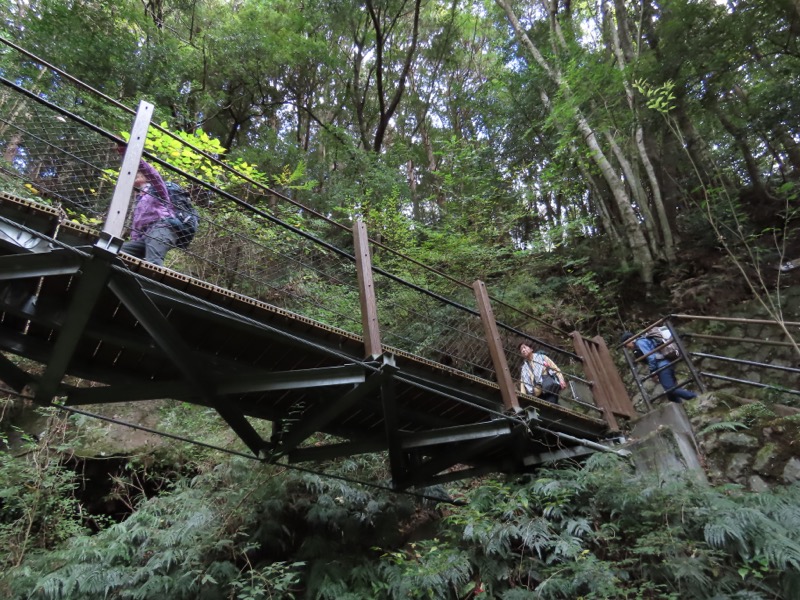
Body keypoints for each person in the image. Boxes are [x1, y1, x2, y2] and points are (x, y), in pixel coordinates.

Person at [120, 158, 177, 267]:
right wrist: (134, 240)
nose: (135, 175)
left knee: (152, 263)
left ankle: (153, 277)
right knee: (119, 252)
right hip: (145, 237)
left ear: (146, 177)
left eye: (139, 173)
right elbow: (138, 225)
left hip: (162, 228)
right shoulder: (140, 199)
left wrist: (137, 160)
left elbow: (154, 175)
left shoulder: (157, 190)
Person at [621, 331, 697, 403]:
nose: (627, 347)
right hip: (664, 364)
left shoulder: (640, 342)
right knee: (670, 394)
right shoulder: (641, 341)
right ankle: (682, 405)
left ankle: (694, 396)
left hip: (662, 366)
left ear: (629, 340)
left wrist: (653, 372)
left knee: (670, 389)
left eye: (625, 345)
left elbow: (651, 357)